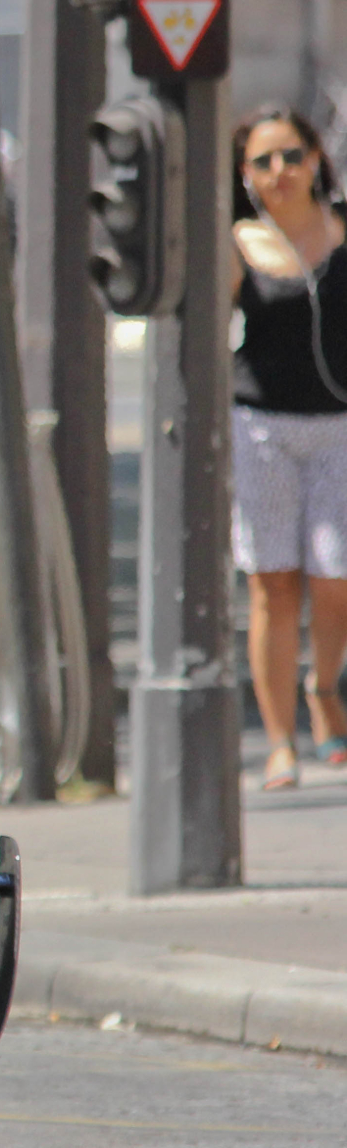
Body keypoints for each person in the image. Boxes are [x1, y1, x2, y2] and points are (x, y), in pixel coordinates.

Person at [229, 103, 347, 789]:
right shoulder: (239, 241)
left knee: (334, 577)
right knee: (272, 583)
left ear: (315, 161)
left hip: (337, 425)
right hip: (263, 426)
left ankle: (323, 690)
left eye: (291, 155)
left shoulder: (341, 229)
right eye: (264, 160)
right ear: (246, 174)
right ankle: (279, 743)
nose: (280, 171)